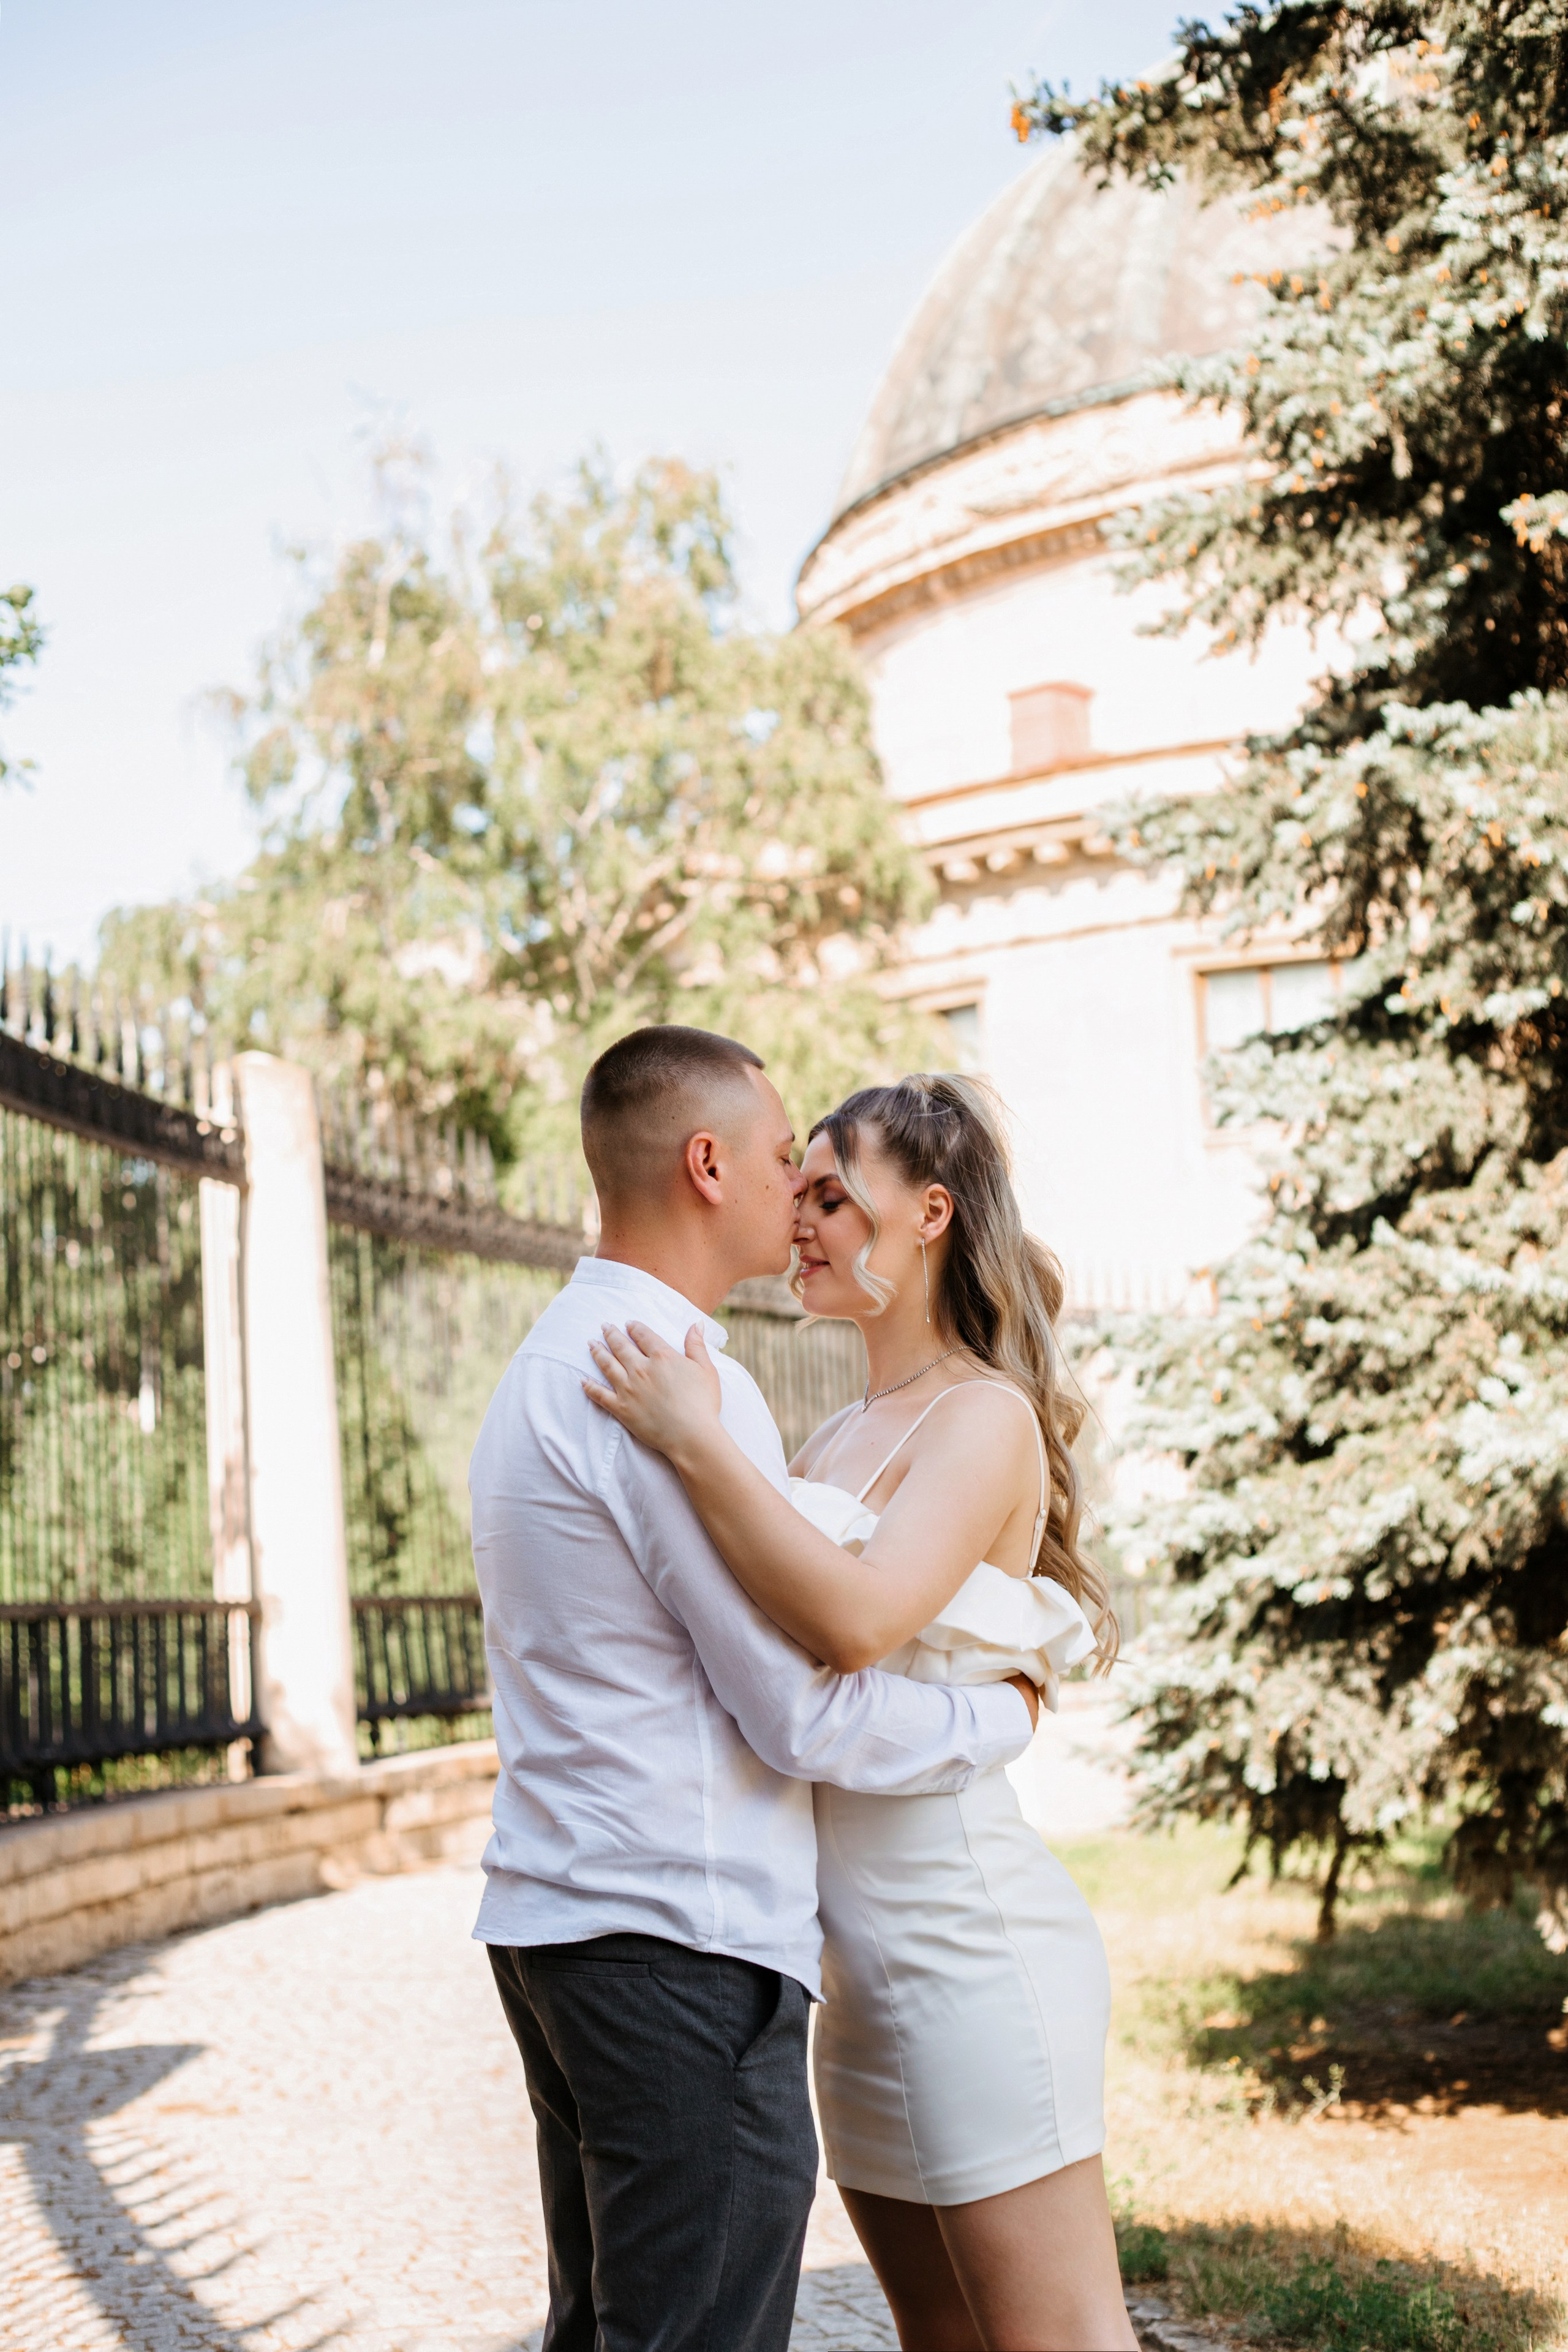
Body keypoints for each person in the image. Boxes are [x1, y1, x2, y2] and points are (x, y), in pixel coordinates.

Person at [468, 1027, 1042, 2352]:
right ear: (707, 1162)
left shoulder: (548, 1359)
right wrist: (994, 1717)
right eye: (788, 1156)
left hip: (559, 1921)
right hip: (678, 1937)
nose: (799, 1189)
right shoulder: (668, 1379)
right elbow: (798, 1709)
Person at [583, 1071, 1138, 2352]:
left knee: (1056, 2339)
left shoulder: (982, 1416)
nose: (799, 1220)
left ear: (930, 1213)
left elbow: (854, 1621)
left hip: (972, 1955)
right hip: (851, 1983)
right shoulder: (830, 1433)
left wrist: (695, 1442)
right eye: (801, 1190)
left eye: (831, 1195)